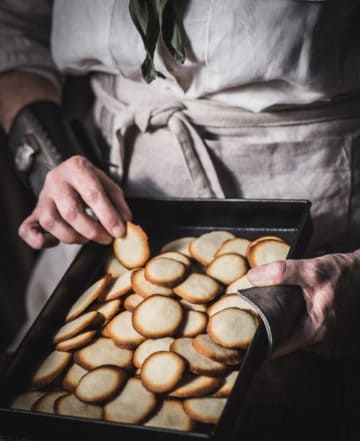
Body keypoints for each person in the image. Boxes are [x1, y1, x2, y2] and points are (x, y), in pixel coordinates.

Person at [1, 0, 360, 357]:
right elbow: (13, 27)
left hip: (317, 193)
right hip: (102, 191)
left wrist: (354, 268)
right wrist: (50, 159)